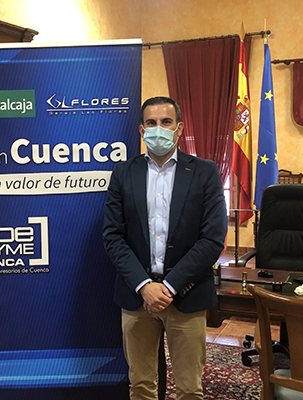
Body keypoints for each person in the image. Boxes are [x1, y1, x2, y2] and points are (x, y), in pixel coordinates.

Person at [103, 97, 227, 400]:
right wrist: (144, 285)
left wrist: (170, 286)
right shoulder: (123, 172)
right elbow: (113, 235)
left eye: (166, 122)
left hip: (187, 294)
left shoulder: (205, 172)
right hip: (137, 297)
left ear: (179, 128)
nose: (158, 129)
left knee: (189, 390)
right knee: (140, 386)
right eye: (151, 123)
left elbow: (212, 239)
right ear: (142, 130)